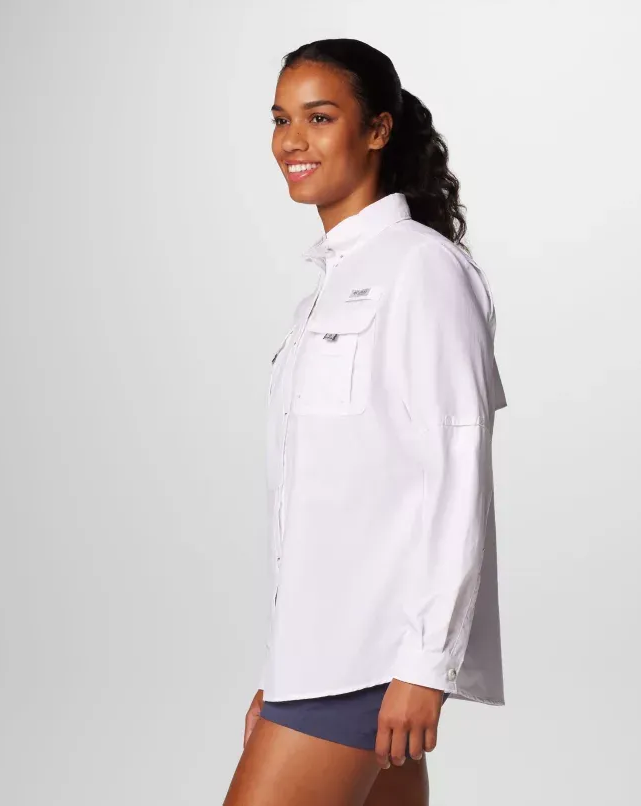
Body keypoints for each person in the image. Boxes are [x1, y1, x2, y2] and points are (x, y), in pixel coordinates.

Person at [223, 38, 507, 806]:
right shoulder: (324, 293)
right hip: (319, 661)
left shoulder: (423, 268)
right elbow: (324, 507)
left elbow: (456, 472)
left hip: (369, 661)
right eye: (281, 119)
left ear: (378, 129)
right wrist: (280, 673)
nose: (292, 140)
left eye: (319, 117)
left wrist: (427, 665)